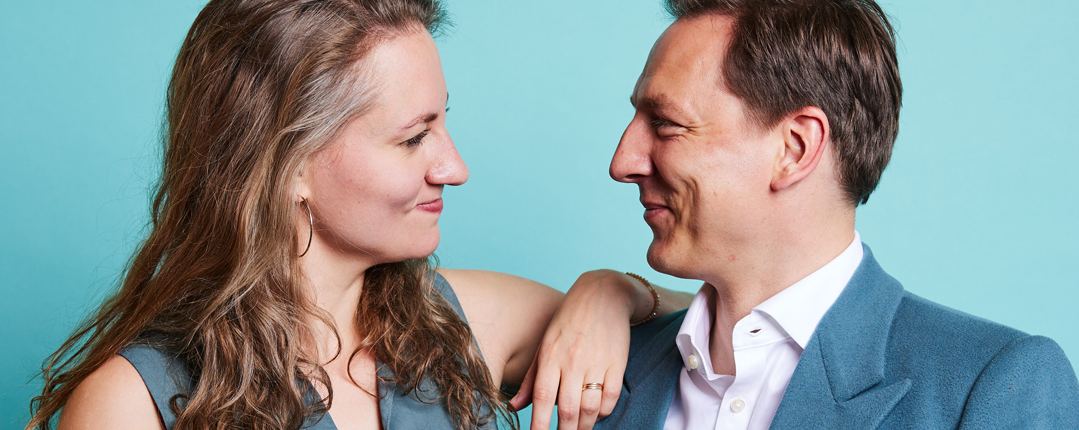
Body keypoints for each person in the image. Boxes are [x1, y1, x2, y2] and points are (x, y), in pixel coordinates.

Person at [25, 1, 692, 430]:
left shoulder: (465, 321)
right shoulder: (129, 404)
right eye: (413, 137)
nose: (454, 166)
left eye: (443, 124)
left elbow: (717, 334)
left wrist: (610, 291)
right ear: (289, 166)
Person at [593, 0, 1079, 429]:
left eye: (666, 123)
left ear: (795, 148)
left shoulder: (993, 385)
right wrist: (607, 293)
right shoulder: (603, 362)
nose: (622, 163)